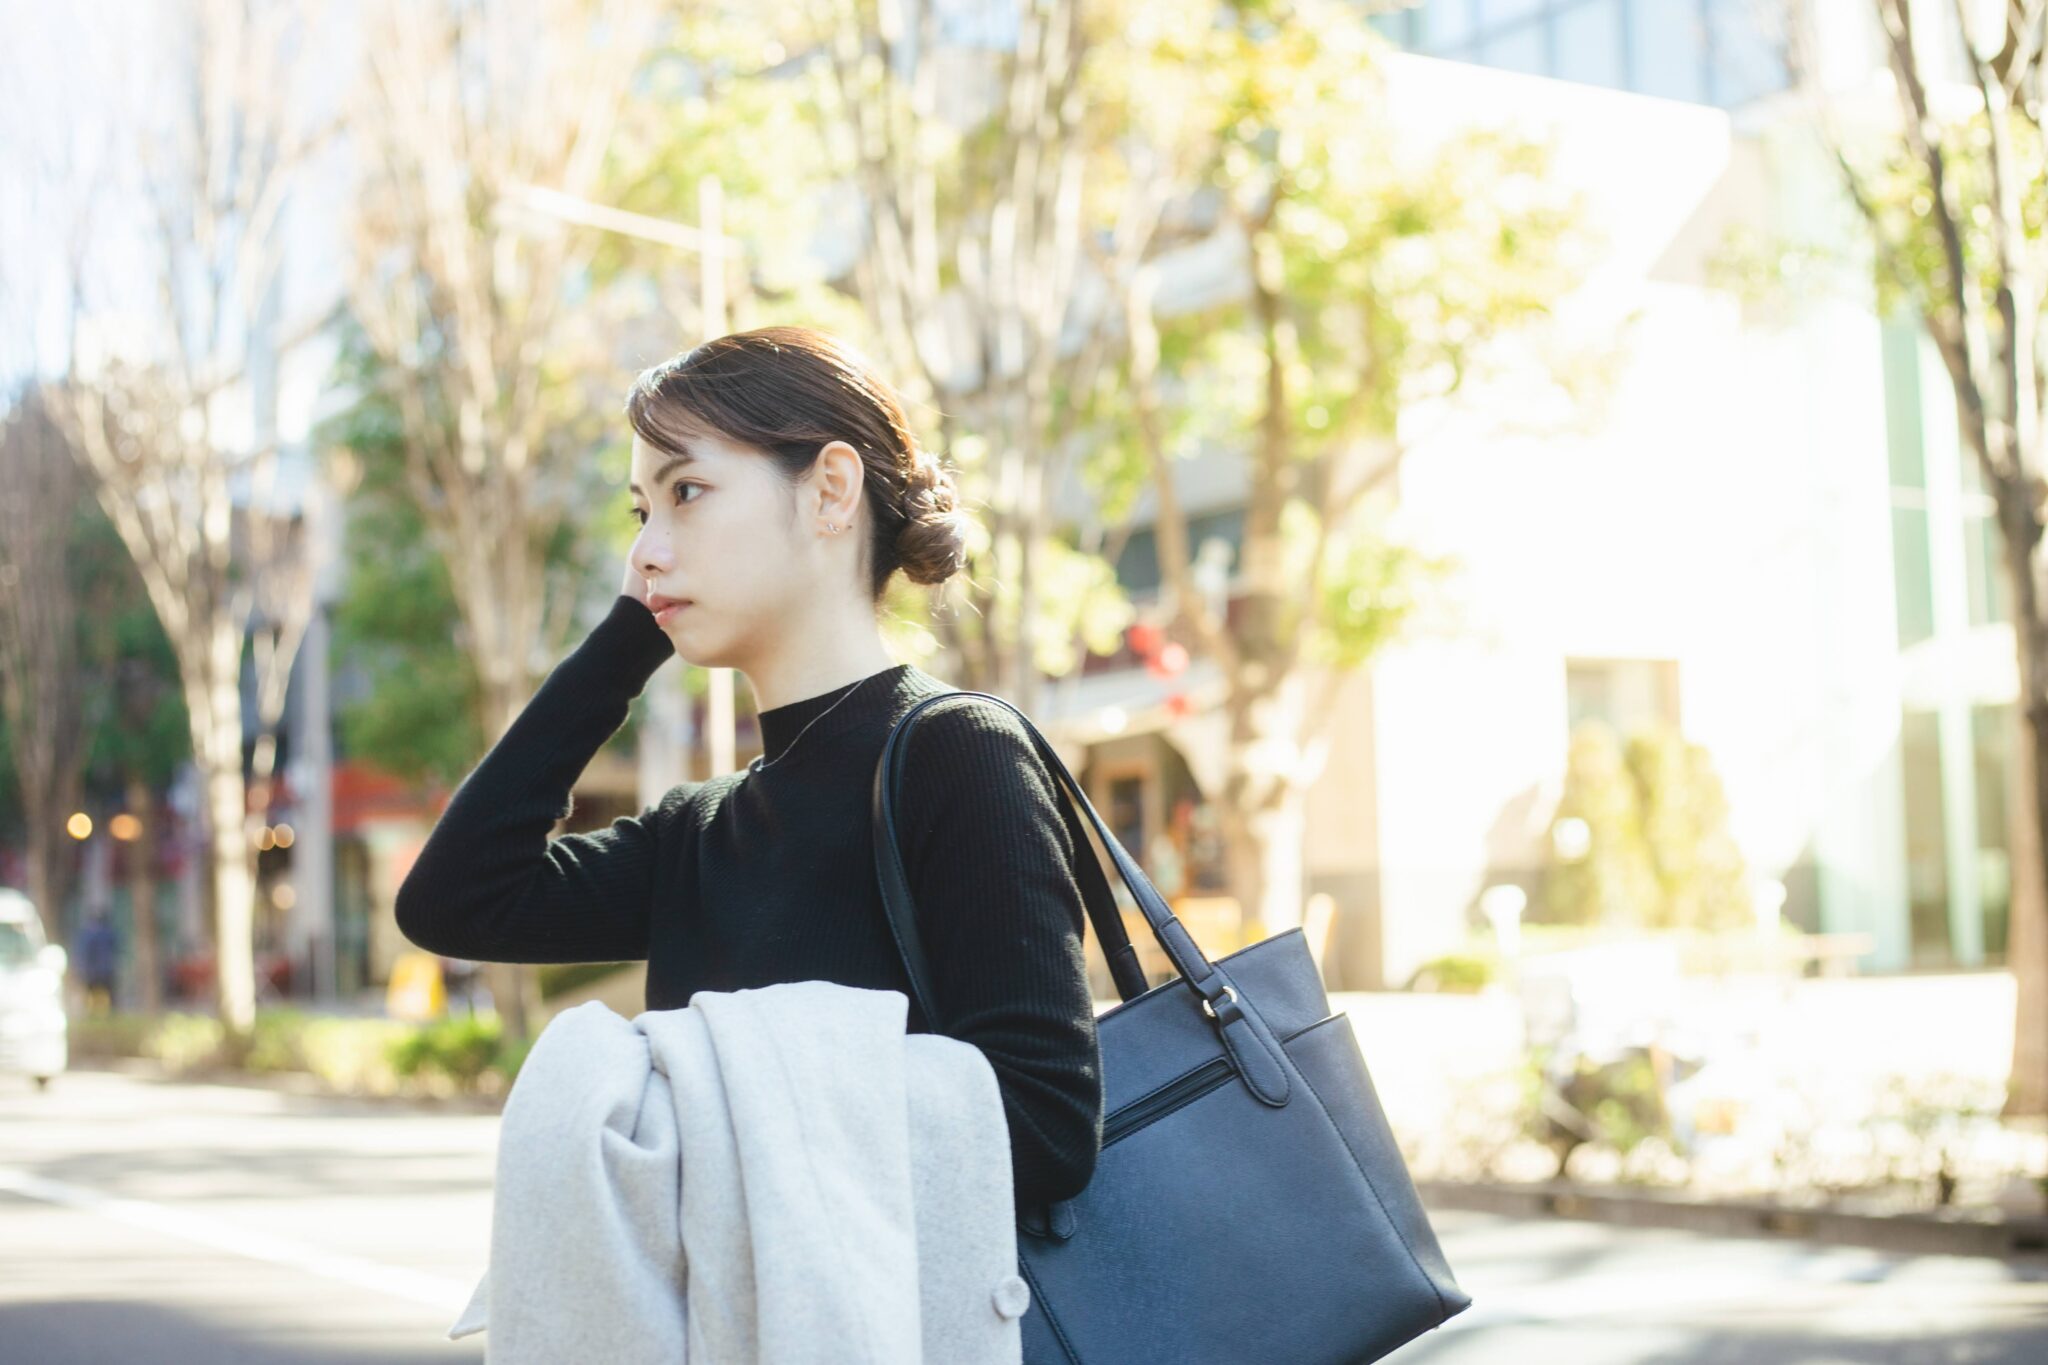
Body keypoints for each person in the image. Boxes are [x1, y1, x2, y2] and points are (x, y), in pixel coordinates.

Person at [392, 325, 1103, 1215]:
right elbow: (454, 899)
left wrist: (725, 1090)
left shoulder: (956, 753)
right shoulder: (701, 830)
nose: (647, 550)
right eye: (640, 513)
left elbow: (1044, 1127)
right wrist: (626, 637)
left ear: (829, 492)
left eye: (687, 491)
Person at [77, 909, 118, 1017]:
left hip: (94, 969)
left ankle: (94, 1012)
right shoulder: (108, 932)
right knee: (106, 991)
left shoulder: (88, 934)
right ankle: (106, 1012)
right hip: (105, 968)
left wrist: (83, 967)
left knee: (93, 992)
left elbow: (84, 952)